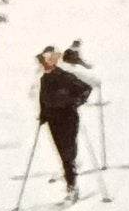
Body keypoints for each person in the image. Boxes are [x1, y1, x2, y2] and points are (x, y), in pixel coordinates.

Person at [36, 45, 92, 201]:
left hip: (68, 117)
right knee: (62, 152)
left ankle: (72, 185)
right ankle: (71, 177)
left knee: (67, 152)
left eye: (47, 61)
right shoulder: (44, 79)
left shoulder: (64, 76)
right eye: (43, 62)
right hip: (53, 119)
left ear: (53, 62)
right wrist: (42, 115)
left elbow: (85, 89)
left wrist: (74, 102)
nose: (44, 64)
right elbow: (43, 99)